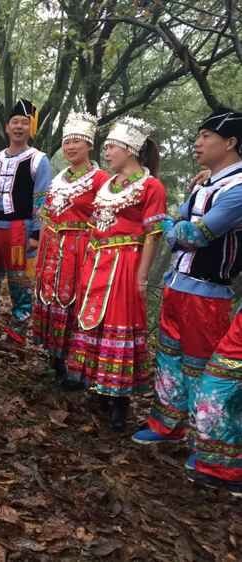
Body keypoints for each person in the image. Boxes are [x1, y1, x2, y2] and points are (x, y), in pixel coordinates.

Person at [130, 109, 242, 489]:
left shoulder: (238, 189)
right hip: (177, 285)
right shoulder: (205, 183)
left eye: (206, 136)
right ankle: (167, 424)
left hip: (208, 292)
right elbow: (180, 226)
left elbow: (195, 235)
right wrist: (176, 225)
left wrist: (167, 224)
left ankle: (207, 444)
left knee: (201, 367)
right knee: (169, 358)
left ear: (230, 143)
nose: (198, 143)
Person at [66, 116, 167, 432]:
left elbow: (153, 232)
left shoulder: (151, 186)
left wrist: (142, 274)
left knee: (118, 323)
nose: (106, 152)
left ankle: (120, 401)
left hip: (125, 262)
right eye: (107, 147)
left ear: (129, 149)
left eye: (111, 147)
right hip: (97, 260)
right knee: (95, 320)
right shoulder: (109, 185)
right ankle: (99, 388)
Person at [33, 111, 109, 388]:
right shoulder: (57, 179)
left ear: (89, 144)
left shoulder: (101, 180)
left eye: (77, 141)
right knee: (51, 298)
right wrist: (40, 254)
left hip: (80, 250)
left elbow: (104, 220)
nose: (70, 147)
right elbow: (47, 217)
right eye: (67, 142)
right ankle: (55, 357)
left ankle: (76, 367)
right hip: (52, 248)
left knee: (75, 302)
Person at [0, 99, 52, 344]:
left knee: (20, 280)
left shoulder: (38, 159)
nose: (19, 127)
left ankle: (19, 326)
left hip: (20, 228)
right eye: (15, 122)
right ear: (7, 127)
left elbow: (42, 198)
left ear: (31, 128)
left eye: (24, 123)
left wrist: (36, 233)